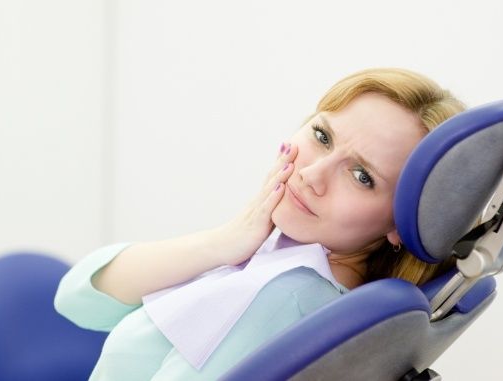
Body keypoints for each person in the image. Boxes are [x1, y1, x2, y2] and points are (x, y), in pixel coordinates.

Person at [55, 68, 465, 380]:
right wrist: (227, 240)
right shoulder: (287, 252)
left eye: (362, 177)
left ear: (401, 224)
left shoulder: (289, 296)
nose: (312, 175)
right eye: (322, 136)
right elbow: (78, 297)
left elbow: (78, 305)